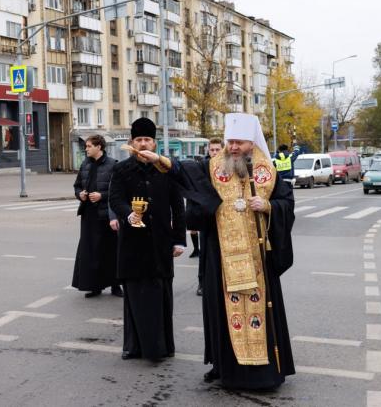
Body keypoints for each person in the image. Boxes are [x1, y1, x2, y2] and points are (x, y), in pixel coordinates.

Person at [139, 113, 296, 390]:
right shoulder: (214, 167)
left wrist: (269, 206)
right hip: (221, 256)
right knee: (222, 313)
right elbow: (183, 171)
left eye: (239, 142)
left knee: (259, 313)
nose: (233, 147)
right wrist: (160, 160)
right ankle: (225, 369)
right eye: (230, 141)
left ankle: (263, 373)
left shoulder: (267, 171)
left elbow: (286, 202)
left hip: (258, 260)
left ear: (251, 142)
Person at [108, 118, 186, 362]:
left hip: (161, 243)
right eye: (139, 140)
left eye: (147, 140)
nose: (143, 144)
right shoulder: (121, 169)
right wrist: (127, 214)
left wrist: (179, 240)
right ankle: (133, 346)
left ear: (154, 143)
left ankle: (163, 347)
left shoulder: (166, 168)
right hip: (132, 243)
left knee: (161, 296)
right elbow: (115, 199)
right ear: (132, 142)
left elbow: (178, 207)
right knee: (134, 296)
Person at [72, 135, 122, 299]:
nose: (85, 149)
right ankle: (94, 286)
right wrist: (81, 194)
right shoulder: (85, 164)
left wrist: (101, 195)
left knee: (110, 250)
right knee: (91, 251)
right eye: (85, 146)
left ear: (99, 147)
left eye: (88, 146)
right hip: (89, 214)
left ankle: (115, 286)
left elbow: (118, 190)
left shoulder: (113, 165)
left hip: (106, 215)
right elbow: (77, 185)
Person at [191, 137, 225, 296]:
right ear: (208, 151)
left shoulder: (228, 166)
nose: (215, 152)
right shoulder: (202, 166)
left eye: (218, 149)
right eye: (212, 150)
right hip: (207, 216)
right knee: (204, 252)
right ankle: (202, 283)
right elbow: (195, 191)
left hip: (224, 216)